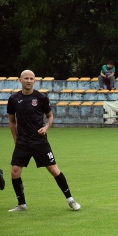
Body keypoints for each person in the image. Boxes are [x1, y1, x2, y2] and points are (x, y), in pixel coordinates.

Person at [7, 70, 81, 212]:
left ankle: (71, 200)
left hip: (39, 142)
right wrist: (16, 139)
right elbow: (12, 121)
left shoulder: (41, 98)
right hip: (22, 143)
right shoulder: (13, 99)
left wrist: (46, 127)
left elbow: (50, 117)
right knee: (14, 172)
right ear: (20, 80)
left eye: (31, 78)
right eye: (26, 78)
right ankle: (21, 204)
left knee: (53, 169)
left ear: (35, 81)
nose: (28, 80)